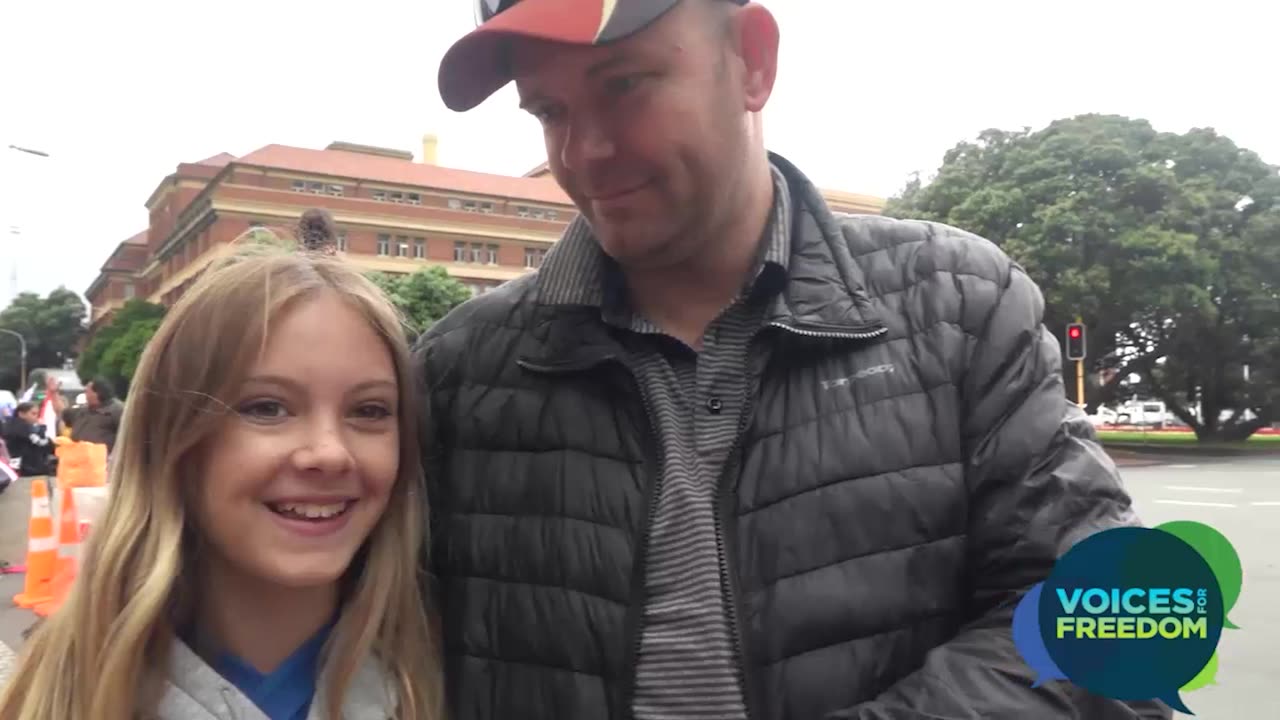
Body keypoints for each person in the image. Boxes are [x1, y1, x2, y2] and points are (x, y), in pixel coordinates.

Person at [417, 1, 1171, 719]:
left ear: (753, 61)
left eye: (624, 86)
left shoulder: (961, 305)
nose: (584, 153)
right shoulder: (457, 373)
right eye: (549, 112)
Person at [0, 239, 443, 720]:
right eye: (266, 408)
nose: (330, 453)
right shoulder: (63, 694)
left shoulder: (449, 683)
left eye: (369, 410)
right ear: (170, 442)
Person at [1, 401, 54, 478]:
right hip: (27, 469)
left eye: (37, 414)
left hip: (25, 467)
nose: (36, 417)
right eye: (33, 414)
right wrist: (42, 429)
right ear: (22, 414)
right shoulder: (20, 428)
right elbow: (38, 442)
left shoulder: (27, 427)